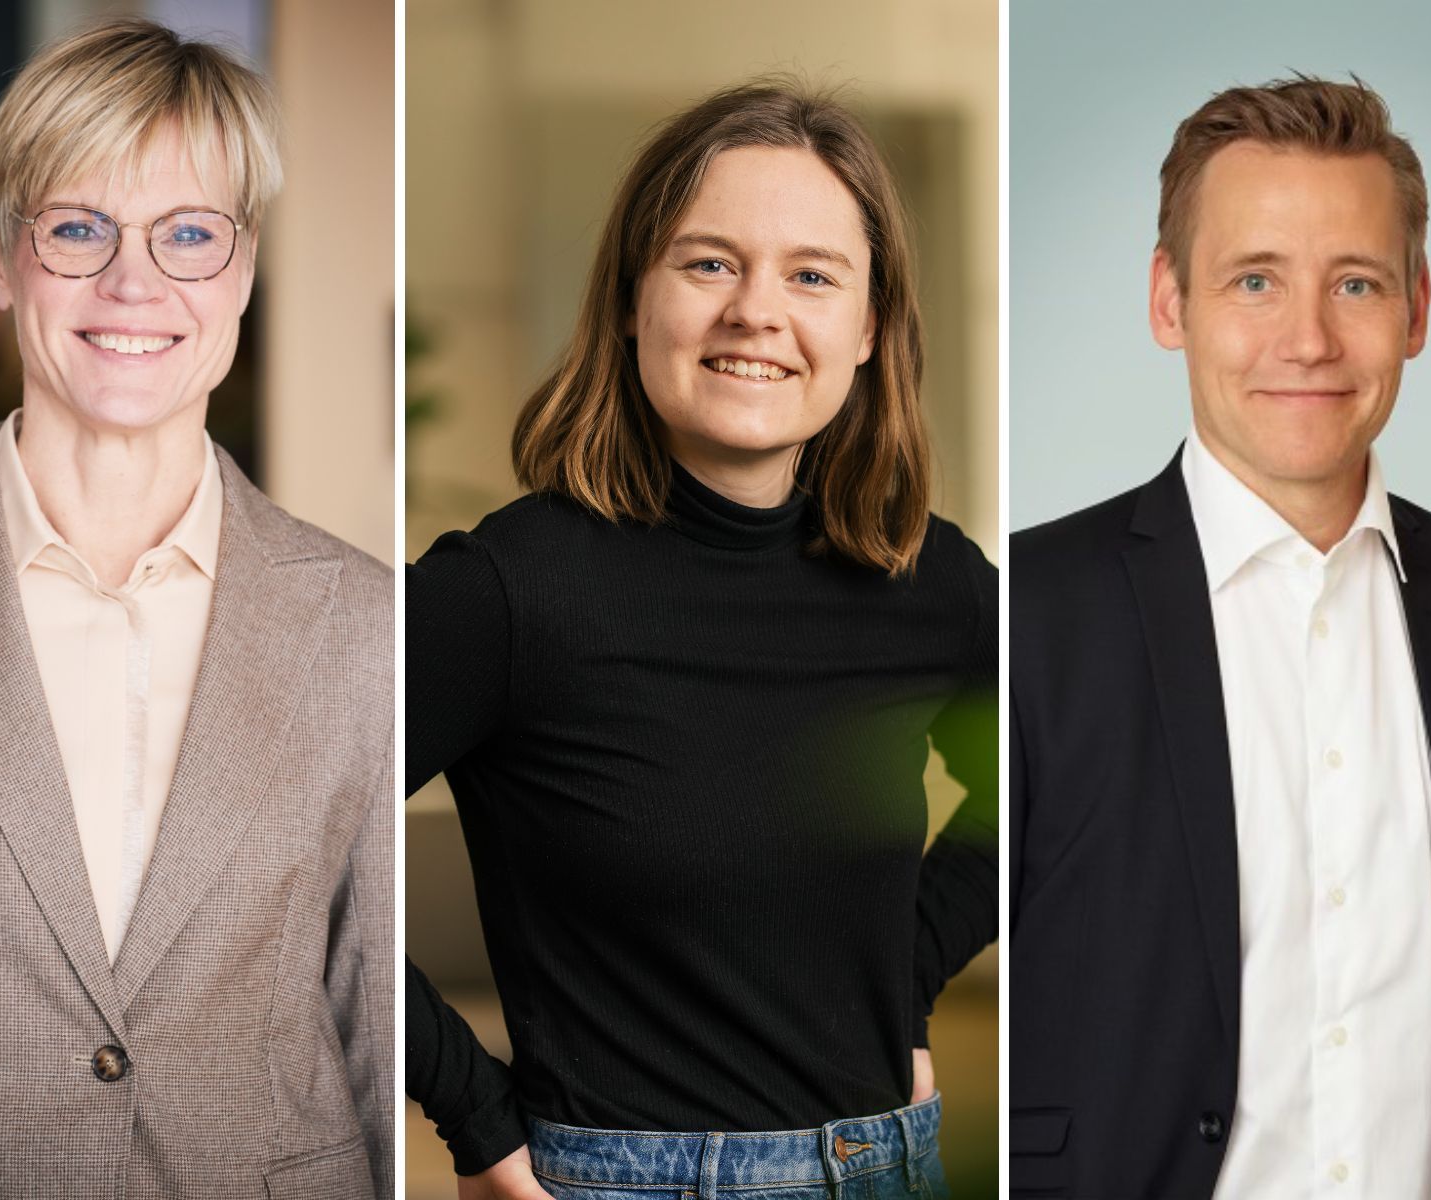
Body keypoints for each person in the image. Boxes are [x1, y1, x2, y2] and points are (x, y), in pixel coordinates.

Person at [0, 19, 393, 1197]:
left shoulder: (367, 623)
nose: (136, 282)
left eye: (189, 234)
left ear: (244, 267)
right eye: (79, 229)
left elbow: (378, 1034)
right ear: (3, 259)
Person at [1011, 74, 1431, 1198]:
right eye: (1254, 280)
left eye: (1357, 284)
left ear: (1417, 309)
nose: (1310, 339)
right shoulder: (1031, 612)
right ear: (1170, 301)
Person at [407, 80, 997, 1200]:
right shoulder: (508, 591)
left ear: (868, 329)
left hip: (884, 1168)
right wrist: (474, 1121)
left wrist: (904, 979)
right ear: (634, 299)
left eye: (812, 275)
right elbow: (284, 849)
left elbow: (1058, 769)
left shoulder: (926, 579)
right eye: (709, 262)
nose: (756, 313)